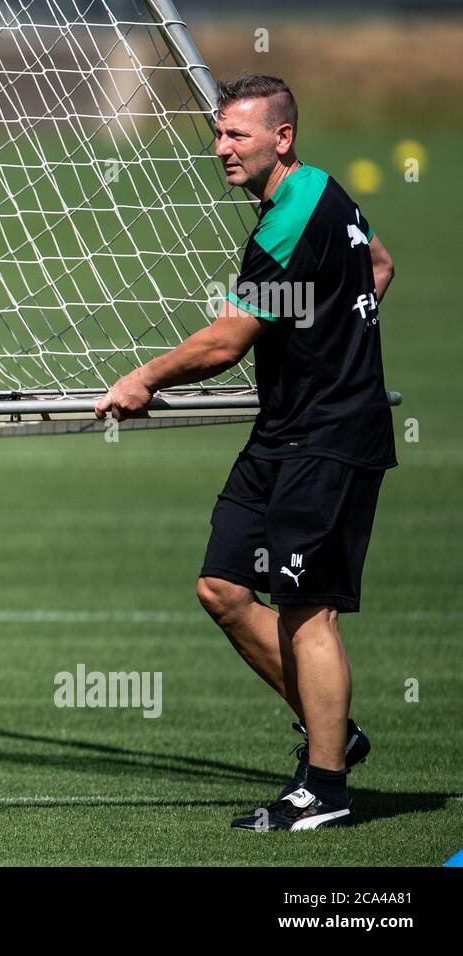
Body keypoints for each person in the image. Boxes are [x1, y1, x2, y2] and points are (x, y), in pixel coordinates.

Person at [95, 75, 396, 831]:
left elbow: (226, 342)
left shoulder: (290, 220)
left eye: (237, 135)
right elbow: (379, 266)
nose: (221, 148)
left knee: (306, 612)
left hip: (326, 438)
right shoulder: (323, 193)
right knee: (223, 589)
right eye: (219, 133)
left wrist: (143, 377)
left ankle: (324, 788)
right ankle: (335, 731)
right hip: (283, 433)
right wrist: (330, 336)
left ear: (282, 138)